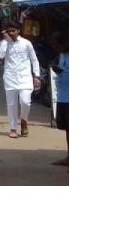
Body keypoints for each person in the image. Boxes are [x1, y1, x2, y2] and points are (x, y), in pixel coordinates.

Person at [0, 21, 42, 139]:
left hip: (25, 77)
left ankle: (24, 120)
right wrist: (5, 42)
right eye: (9, 31)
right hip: (10, 77)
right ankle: (13, 128)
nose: (11, 33)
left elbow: (34, 60)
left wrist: (36, 75)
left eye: (13, 30)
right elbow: (0, 56)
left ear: (18, 31)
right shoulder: (4, 43)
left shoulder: (26, 43)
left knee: (25, 102)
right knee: (11, 104)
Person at [50, 31, 69, 166]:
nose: (56, 47)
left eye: (58, 44)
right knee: (68, 129)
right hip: (62, 97)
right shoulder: (62, 55)